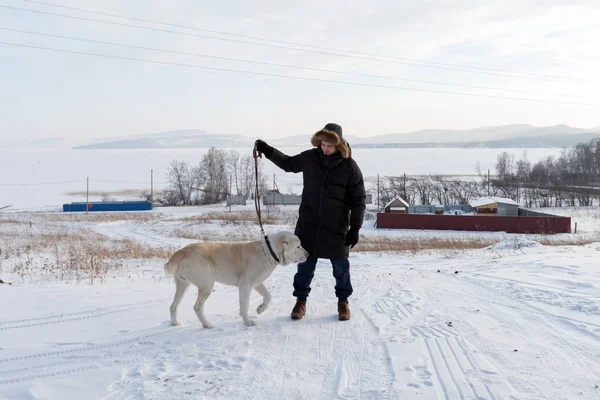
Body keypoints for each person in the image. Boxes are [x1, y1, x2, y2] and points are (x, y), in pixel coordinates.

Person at [254, 123, 366, 321]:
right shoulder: (310, 158)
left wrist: (355, 227)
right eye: (322, 144)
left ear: (338, 144)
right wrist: (267, 150)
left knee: (341, 268)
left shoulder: (349, 166)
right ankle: (300, 300)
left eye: (329, 145)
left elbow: (358, 200)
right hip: (309, 224)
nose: (324, 148)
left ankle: (343, 302)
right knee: (305, 266)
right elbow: (288, 164)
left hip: (337, 227)